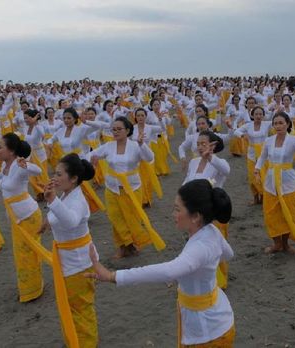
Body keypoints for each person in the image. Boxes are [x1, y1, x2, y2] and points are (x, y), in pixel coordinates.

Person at [85, 179, 236, 347]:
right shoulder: (212, 232)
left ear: (195, 216)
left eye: (178, 209)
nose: (173, 214)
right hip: (215, 318)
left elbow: (169, 271)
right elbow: (228, 254)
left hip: (208, 332)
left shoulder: (199, 248)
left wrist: (113, 276)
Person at [0, 133, 45, 302]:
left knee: (27, 254)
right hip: (16, 218)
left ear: (11, 151)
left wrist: (26, 164)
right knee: (21, 255)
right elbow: (0, 177)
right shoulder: (5, 166)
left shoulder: (19, 166)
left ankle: (33, 289)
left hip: (28, 216)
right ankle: (30, 287)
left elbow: (38, 170)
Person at [41, 153, 98, 347]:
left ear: (73, 178)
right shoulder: (66, 195)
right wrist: (47, 219)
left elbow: (71, 221)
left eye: (59, 174)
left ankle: (86, 343)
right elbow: (57, 215)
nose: (54, 177)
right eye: (54, 173)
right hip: (67, 260)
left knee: (80, 308)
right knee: (72, 307)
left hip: (78, 264)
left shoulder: (78, 200)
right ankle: (76, 340)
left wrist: (52, 201)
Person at [87, 116, 165, 258]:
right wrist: (89, 160)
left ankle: (133, 244)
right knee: (115, 217)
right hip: (112, 188)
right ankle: (123, 246)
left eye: (119, 129)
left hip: (132, 188)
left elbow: (149, 158)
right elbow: (91, 155)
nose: (115, 132)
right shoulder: (108, 146)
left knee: (132, 218)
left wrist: (142, 144)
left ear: (127, 130)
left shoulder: (135, 145)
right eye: (113, 130)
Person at [255, 111, 295, 253]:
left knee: (289, 212)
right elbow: (262, 158)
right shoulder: (269, 141)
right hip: (270, 181)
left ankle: (286, 243)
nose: (278, 126)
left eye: (281, 123)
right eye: (275, 123)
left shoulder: (293, 140)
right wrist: (257, 170)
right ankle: (277, 244)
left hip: (288, 181)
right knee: (271, 213)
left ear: (287, 124)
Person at [182, 130, 232, 288]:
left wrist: (210, 156)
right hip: (194, 214)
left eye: (203, 143)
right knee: (196, 247)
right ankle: (201, 277)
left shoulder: (217, 162)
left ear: (212, 145)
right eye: (198, 144)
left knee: (215, 247)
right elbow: (187, 180)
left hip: (212, 212)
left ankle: (220, 280)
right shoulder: (194, 162)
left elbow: (227, 170)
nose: (199, 146)